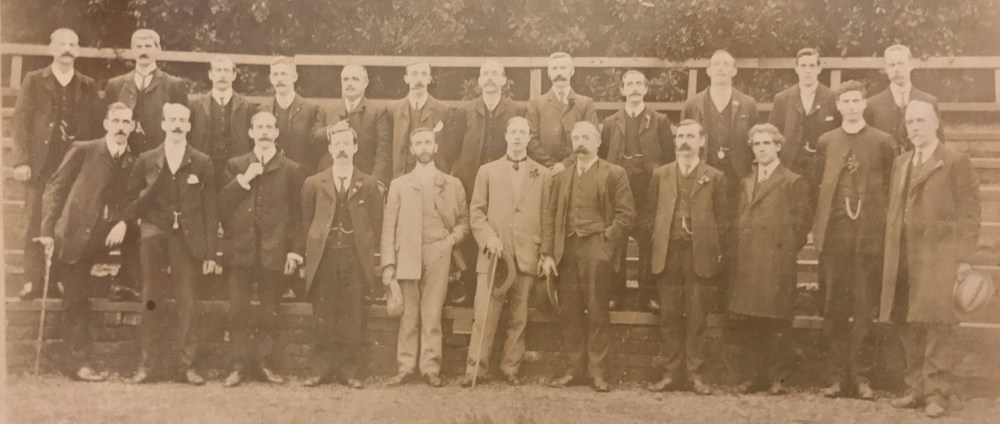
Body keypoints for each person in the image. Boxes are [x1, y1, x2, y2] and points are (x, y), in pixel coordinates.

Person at [881, 100, 980, 418]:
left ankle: (938, 392)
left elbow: (969, 213)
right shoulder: (902, 161)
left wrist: (963, 259)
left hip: (939, 256)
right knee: (906, 321)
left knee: (937, 324)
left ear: (936, 122)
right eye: (910, 122)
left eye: (921, 120)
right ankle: (916, 388)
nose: (915, 127)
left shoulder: (954, 160)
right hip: (904, 254)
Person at [36, 102, 138, 381]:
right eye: (115, 121)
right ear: (106, 124)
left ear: (132, 126)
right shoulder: (84, 150)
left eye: (125, 122)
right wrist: (48, 230)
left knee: (144, 237)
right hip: (76, 233)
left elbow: (135, 199)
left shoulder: (133, 159)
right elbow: (55, 188)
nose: (120, 127)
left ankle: (125, 285)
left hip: (110, 233)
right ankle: (78, 363)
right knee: (76, 297)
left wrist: (124, 222)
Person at [812, 80, 895, 400]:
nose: (850, 106)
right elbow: (818, 183)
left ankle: (861, 378)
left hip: (867, 238)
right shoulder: (826, 142)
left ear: (864, 104)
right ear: (838, 106)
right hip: (835, 237)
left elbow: (890, 186)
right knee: (833, 307)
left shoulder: (883, 141)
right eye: (844, 101)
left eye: (855, 100)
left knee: (864, 307)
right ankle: (836, 377)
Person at [125, 103, 218, 385]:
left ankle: (187, 366)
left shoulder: (202, 161)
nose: (177, 125)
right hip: (154, 234)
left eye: (183, 120)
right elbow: (131, 202)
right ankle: (148, 365)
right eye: (172, 120)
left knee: (188, 300)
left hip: (187, 238)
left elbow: (210, 210)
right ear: (163, 124)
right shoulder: (146, 159)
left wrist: (211, 252)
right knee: (151, 299)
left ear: (189, 126)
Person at [539, 121, 635, 393]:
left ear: (598, 142)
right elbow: (550, 216)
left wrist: (606, 241)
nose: (581, 141)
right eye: (576, 136)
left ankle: (598, 372)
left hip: (597, 248)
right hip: (566, 250)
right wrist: (547, 253)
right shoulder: (561, 176)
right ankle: (575, 369)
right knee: (569, 311)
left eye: (586, 136)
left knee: (597, 311)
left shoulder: (614, 173)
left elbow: (627, 214)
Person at [12, 28, 102, 301]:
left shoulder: (86, 84)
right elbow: (20, 123)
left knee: (67, 221)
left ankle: (62, 279)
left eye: (73, 43)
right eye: (62, 43)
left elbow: (96, 127)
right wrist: (21, 161)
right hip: (40, 163)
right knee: (34, 219)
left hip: (72, 165)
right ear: (52, 48)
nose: (67, 48)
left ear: (78, 50)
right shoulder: (34, 80)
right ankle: (32, 280)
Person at [460, 117, 550, 387]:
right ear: (506, 135)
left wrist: (544, 252)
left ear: (529, 137)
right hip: (494, 256)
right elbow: (476, 212)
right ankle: (476, 368)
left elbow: (547, 215)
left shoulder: (543, 174)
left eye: (524, 132)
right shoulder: (487, 171)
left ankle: (510, 367)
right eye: (514, 132)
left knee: (519, 316)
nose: (518, 137)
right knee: (484, 315)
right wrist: (488, 238)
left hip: (526, 254)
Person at [642, 119, 728, 395]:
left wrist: (710, 245)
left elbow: (724, 220)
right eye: (680, 136)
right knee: (668, 315)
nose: (685, 141)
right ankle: (670, 374)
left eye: (691, 136)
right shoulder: (661, 174)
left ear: (702, 141)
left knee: (696, 316)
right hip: (668, 253)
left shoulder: (715, 177)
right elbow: (650, 213)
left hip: (698, 254)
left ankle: (695, 375)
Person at [219, 111, 303, 387]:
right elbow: (222, 205)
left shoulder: (290, 168)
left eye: (270, 127)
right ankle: (238, 365)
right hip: (241, 249)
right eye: (259, 127)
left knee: (270, 310)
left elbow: (298, 214)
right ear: (251, 133)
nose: (265, 131)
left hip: (274, 250)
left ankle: (266, 363)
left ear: (277, 133)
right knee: (237, 310)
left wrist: (294, 250)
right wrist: (245, 178)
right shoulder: (236, 164)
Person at [381, 127, 469, 387]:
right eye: (418, 143)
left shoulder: (452, 184)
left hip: (438, 254)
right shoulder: (399, 185)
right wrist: (388, 263)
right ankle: (406, 367)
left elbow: (464, 222)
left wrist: (449, 242)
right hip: (407, 253)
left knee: (432, 314)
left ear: (436, 147)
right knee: (408, 315)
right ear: (411, 150)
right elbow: (389, 227)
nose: (423, 147)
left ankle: (430, 367)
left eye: (427, 142)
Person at [728, 123, 811, 395]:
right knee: (751, 320)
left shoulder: (792, 181)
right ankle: (754, 376)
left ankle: (778, 378)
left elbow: (801, 225)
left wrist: (782, 251)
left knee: (777, 321)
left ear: (778, 146)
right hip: (749, 261)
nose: (761, 148)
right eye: (757, 144)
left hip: (777, 262)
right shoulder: (746, 181)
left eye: (767, 143)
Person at [301, 126, 384, 389]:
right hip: (324, 257)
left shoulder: (369, 184)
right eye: (337, 143)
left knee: (353, 314)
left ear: (356, 148)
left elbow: (376, 224)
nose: (342, 148)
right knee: (322, 314)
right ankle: (319, 369)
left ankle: (350, 371)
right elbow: (306, 223)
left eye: (347, 143)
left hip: (354, 256)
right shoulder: (314, 183)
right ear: (330, 148)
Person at [450, 60, 527, 306]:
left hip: (504, 180)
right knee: (475, 229)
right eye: (486, 74)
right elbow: (453, 149)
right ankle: (472, 288)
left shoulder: (516, 109)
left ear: (504, 80)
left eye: (495, 74)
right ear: (479, 80)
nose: (490, 78)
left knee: (502, 227)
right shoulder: (465, 111)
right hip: (472, 181)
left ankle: (502, 287)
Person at [599, 70, 675, 311]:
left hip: (647, 191)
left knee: (649, 241)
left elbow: (668, 159)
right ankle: (614, 294)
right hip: (620, 191)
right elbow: (603, 158)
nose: (633, 88)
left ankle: (647, 295)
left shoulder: (660, 120)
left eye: (638, 84)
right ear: (622, 90)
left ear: (645, 89)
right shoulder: (611, 123)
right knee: (616, 240)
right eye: (629, 84)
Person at [769, 47, 840, 204]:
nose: (807, 70)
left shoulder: (832, 97)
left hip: (822, 166)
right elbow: (774, 134)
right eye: (803, 66)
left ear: (819, 69)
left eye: (812, 66)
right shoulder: (782, 99)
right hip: (791, 165)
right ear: (796, 68)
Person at [104, 28, 188, 155]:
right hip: (125, 156)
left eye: (148, 46)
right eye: (139, 47)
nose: (143, 51)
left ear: (158, 49)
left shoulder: (173, 85)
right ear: (132, 51)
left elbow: (182, 126)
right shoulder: (116, 85)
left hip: (159, 156)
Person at [189, 55, 255, 191]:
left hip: (236, 168)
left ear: (234, 75)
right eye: (218, 70)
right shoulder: (195, 105)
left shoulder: (247, 106)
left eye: (226, 71)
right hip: (205, 167)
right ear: (210, 75)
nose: (222, 75)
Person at [525, 52, 599, 171]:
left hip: (577, 168)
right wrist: (550, 164)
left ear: (572, 71)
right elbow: (530, 139)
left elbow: (592, 138)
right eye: (554, 68)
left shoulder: (585, 103)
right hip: (544, 169)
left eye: (563, 68)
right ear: (549, 73)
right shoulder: (535, 104)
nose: (559, 73)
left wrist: (565, 164)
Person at [864, 44, 943, 154]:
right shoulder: (872, 104)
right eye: (892, 65)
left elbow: (939, 145)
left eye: (901, 64)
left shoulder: (928, 101)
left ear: (910, 65)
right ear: (886, 69)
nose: (896, 69)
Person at [320, 64, 391, 184]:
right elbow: (313, 138)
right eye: (345, 79)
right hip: (331, 180)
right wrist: (331, 130)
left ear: (365, 83)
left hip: (364, 179)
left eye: (355, 79)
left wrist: (376, 181)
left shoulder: (378, 112)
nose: (349, 83)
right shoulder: (327, 110)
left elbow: (383, 151)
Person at [386, 62, 459, 179]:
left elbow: (451, 151)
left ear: (429, 79)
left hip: (433, 178)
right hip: (402, 177)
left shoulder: (443, 110)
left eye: (424, 74)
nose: (419, 79)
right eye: (414, 74)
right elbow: (387, 149)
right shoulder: (393, 110)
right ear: (406, 78)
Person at [259, 56, 328, 176]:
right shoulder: (261, 110)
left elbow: (316, 146)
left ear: (294, 77)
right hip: (270, 176)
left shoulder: (312, 110)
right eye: (275, 75)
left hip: (302, 176)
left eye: (284, 74)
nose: (279, 79)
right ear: (271, 79)